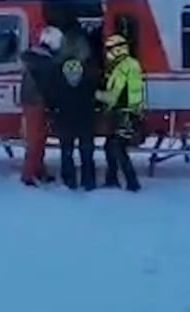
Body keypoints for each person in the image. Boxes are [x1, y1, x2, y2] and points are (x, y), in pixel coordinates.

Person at [95, 33, 145, 192]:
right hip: (128, 112)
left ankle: (132, 182)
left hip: (125, 114)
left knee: (118, 148)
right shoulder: (130, 64)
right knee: (110, 146)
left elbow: (113, 96)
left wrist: (94, 94)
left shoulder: (122, 68)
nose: (107, 52)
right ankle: (112, 179)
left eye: (109, 49)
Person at [51, 24, 99, 190]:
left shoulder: (58, 70)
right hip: (85, 115)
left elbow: (54, 94)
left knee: (67, 150)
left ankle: (69, 180)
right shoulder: (89, 70)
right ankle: (89, 181)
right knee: (87, 151)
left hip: (66, 116)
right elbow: (94, 90)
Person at [18, 26, 63, 186]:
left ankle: (38, 169)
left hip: (31, 102)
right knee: (35, 139)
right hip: (37, 103)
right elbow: (48, 87)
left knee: (40, 138)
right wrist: (54, 104)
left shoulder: (36, 58)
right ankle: (28, 174)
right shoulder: (45, 62)